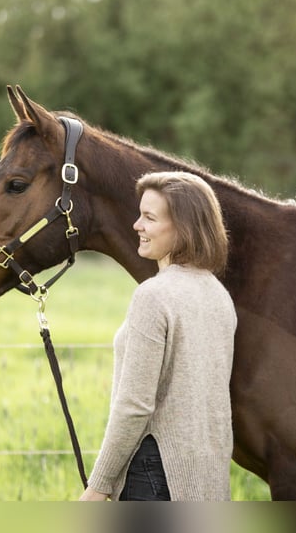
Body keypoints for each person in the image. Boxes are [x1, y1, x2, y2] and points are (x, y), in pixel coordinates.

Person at [79, 171, 237, 501]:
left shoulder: (153, 296)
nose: (137, 225)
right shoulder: (219, 295)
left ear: (183, 228)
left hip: (155, 471)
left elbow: (135, 405)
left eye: (149, 218)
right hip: (207, 475)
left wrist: (98, 485)